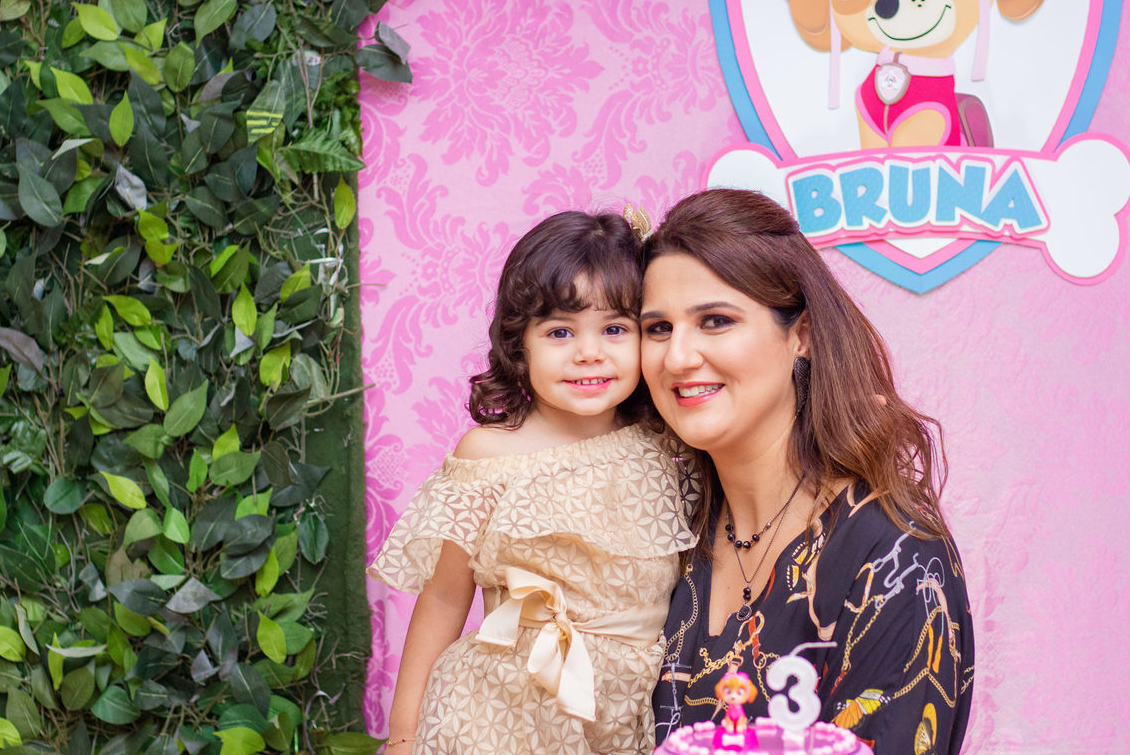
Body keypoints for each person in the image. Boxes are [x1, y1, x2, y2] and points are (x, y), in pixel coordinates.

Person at [642, 189, 974, 754]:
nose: (678, 358)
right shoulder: (662, 533)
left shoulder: (894, 558)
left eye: (715, 321)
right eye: (658, 328)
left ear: (802, 335)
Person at [367, 210, 697, 754]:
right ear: (520, 344)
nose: (588, 352)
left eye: (615, 329)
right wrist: (404, 735)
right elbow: (447, 598)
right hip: (493, 711)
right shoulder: (489, 453)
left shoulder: (667, 446)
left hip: (621, 715)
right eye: (560, 331)